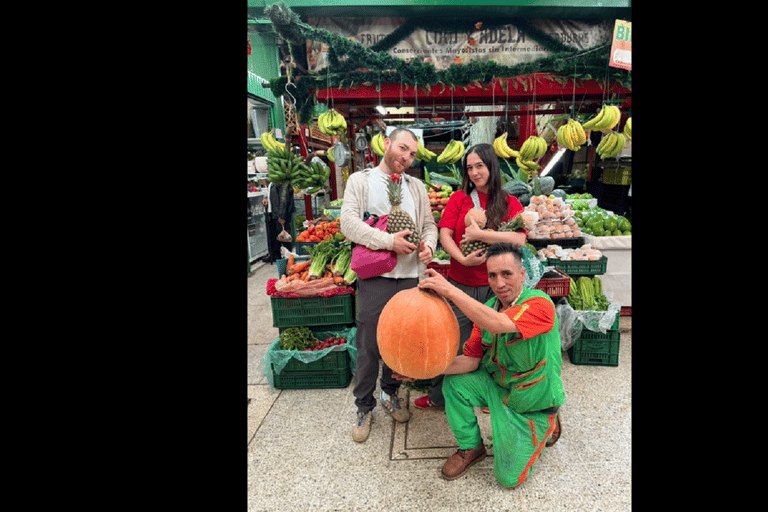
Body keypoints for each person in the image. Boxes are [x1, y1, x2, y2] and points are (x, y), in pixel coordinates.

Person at [401, 242, 565, 489]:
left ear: (522, 274)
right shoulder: (488, 309)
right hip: (500, 388)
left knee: (508, 479)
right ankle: (471, 448)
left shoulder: (540, 305)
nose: (499, 284)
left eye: (507, 274)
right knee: (455, 383)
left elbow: (498, 324)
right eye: (492, 275)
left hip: (532, 400)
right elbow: (469, 361)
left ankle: (548, 421)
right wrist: (423, 369)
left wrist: (450, 290)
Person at [339, 127, 438, 443]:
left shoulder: (417, 187)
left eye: (412, 154)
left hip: (410, 279)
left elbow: (428, 226)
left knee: (401, 344)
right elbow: (348, 223)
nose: (407, 157)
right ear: (386, 143)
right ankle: (364, 406)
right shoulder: (361, 181)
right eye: (403, 149)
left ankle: (390, 393)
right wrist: (388, 242)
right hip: (375, 280)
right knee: (369, 346)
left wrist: (430, 247)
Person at [416, 143, 527, 410]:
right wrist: (462, 258)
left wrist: (481, 235)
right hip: (460, 283)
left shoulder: (509, 202)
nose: (475, 172)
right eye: (470, 167)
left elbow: (519, 238)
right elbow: (445, 234)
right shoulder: (458, 199)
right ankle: (439, 395)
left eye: (480, 165)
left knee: (497, 343)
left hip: (497, 287)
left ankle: (491, 396)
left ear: (491, 166)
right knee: (453, 340)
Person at [263, 181, 295, 262]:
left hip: (279, 215)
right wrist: (266, 200)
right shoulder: (272, 182)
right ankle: (276, 257)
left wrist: (282, 215)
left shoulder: (282, 182)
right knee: (275, 238)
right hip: (272, 214)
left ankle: (288, 259)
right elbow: (272, 195)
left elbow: (284, 199)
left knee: (285, 238)